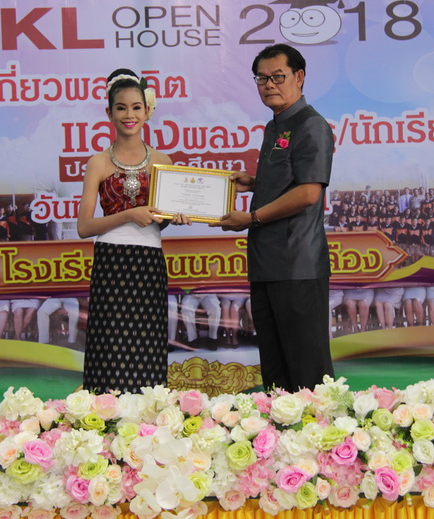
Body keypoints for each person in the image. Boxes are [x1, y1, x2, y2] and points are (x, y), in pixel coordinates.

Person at [211, 43, 334, 391]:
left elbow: (308, 193)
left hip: (297, 264)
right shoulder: (275, 126)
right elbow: (288, 181)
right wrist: (255, 182)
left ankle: (317, 426)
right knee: (276, 371)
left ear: (299, 76)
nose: (269, 85)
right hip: (267, 264)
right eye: (262, 78)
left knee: (307, 370)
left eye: (278, 77)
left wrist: (250, 218)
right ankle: (279, 428)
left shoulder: (311, 126)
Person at [76, 68, 190, 393]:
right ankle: (104, 415)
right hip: (111, 261)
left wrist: (173, 217)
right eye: (122, 108)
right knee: (109, 346)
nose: (130, 115)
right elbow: (84, 227)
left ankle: (148, 418)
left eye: (137, 107)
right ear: (109, 112)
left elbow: (159, 219)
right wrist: (128, 215)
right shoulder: (98, 162)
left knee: (147, 343)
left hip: (149, 261)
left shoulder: (162, 160)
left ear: (148, 111)